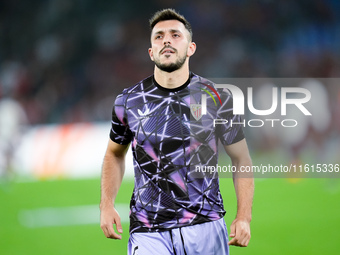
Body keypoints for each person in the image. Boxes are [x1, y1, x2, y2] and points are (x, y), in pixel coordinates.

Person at [100, 8, 254, 255]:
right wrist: (106, 205)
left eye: (175, 35)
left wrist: (243, 216)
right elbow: (114, 154)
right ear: (151, 52)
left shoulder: (217, 97)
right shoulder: (128, 101)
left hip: (206, 225)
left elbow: (241, 158)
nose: (167, 40)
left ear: (191, 47)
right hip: (148, 230)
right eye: (159, 36)